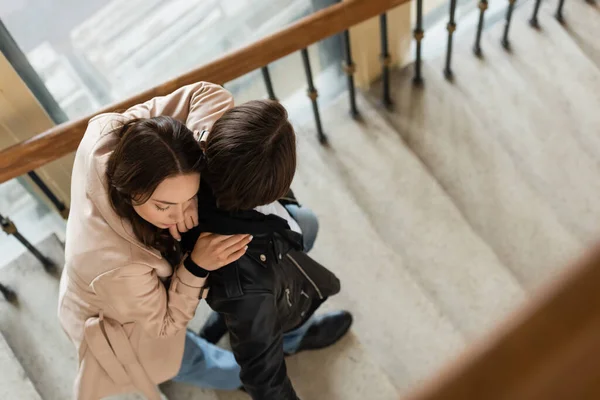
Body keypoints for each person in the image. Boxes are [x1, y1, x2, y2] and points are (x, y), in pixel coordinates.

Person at [58, 82, 250, 400]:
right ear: (131, 190)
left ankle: (225, 336)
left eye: (189, 197)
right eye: (164, 206)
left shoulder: (113, 137)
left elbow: (208, 94)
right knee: (199, 361)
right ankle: (245, 373)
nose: (181, 215)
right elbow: (162, 325)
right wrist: (196, 266)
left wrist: (196, 152)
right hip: (127, 325)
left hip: (109, 286)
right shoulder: (118, 264)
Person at [180, 100, 353, 400]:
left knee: (307, 223)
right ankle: (293, 338)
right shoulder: (251, 289)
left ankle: (226, 321)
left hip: (272, 238)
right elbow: (266, 381)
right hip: (260, 288)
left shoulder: (197, 159)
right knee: (281, 313)